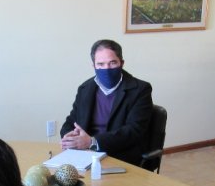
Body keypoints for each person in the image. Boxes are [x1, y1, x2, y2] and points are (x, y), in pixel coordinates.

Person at [60, 38, 153, 166]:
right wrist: (68, 137)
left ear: (122, 63)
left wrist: (92, 142)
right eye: (101, 64)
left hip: (121, 156)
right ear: (93, 66)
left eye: (112, 63)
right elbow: (72, 121)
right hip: (86, 155)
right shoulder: (85, 88)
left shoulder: (140, 90)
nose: (107, 68)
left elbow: (134, 131)